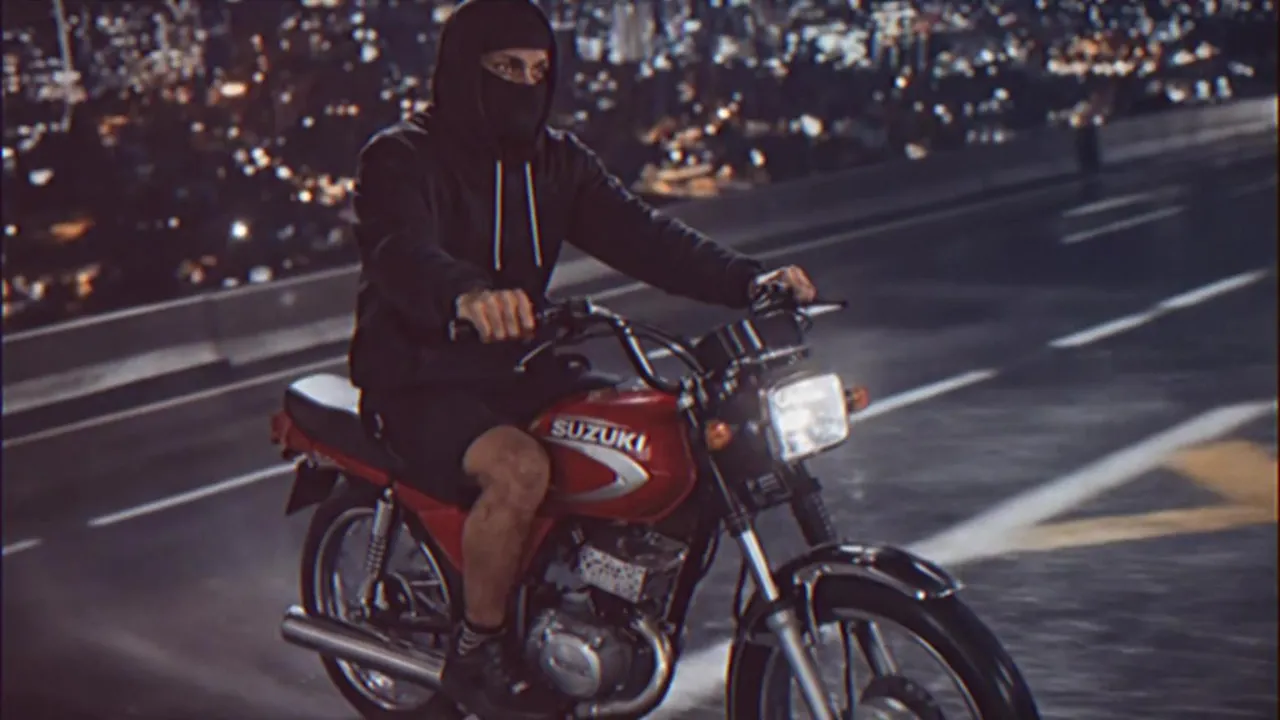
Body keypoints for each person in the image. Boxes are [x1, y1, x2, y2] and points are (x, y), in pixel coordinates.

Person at [348, 0, 817, 717]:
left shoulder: (556, 162)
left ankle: (599, 609)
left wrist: (748, 281)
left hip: (518, 366)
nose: (525, 85)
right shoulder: (401, 157)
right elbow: (399, 251)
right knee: (519, 469)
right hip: (417, 374)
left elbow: (648, 237)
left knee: (667, 436)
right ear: (464, 70)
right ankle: (478, 649)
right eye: (506, 68)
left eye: (538, 71)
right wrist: (466, 296)